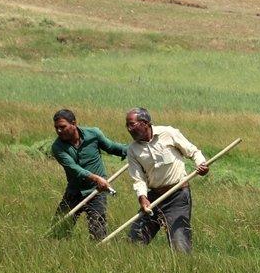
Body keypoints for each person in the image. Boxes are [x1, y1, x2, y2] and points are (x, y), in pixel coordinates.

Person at [124, 108, 208, 253]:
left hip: (178, 195)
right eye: (127, 126)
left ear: (145, 123)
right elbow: (138, 179)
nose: (129, 129)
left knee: (180, 245)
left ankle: (184, 272)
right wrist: (142, 198)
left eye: (132, 124)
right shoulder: (132, 150)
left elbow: (193, 151)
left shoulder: (168, 133)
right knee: (134, 241)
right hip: (154, 198)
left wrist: (201, 164)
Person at [49, 108, 127, 241]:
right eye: (56, 128)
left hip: (97, 191)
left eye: (62, 127)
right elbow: (74, 169)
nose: (59, 131)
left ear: (74, 123)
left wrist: (134, 150)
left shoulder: (93, 134)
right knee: (58, 229)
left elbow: (112, 147)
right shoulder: (57, 147)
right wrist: (97, 178)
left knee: (98, 232)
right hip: (75, 191)